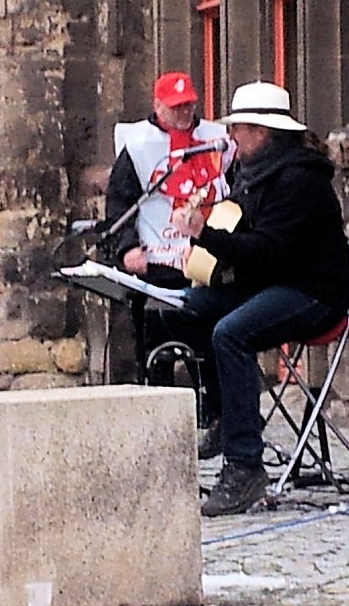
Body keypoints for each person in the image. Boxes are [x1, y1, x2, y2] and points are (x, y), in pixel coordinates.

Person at [161, 81, 349, 517]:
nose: (232, 136)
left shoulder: (299, 180)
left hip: (312, 291)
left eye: (239, 129)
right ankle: (223, 417)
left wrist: (203, 234)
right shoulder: (251, 175)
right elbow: (249, 244)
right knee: (185, 309)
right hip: (269, 282)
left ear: (262, 132)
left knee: (231, 333)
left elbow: (268, 251)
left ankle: (245, 466)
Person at [103, 71, 233, 449]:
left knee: (212, 331)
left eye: (189, 105)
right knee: (156, 332)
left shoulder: (216, 139)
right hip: (157, 257)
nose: (184, 113)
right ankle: (158, 416)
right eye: (176, 107)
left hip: (208, 255)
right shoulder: (139, 145)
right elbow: (120, 202)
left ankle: (218, 413)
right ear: (158, 106)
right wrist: (127, 248)